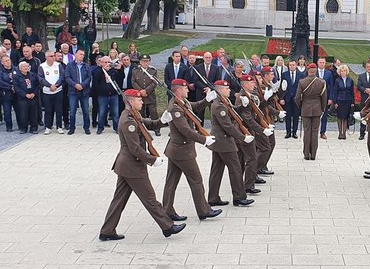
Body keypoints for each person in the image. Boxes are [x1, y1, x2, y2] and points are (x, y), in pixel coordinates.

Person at [99, 89, 185, 241]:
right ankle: (168, 227)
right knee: (150, 199)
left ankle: (107, 230)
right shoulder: (128, 121)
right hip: (133, 167)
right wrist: (152, 160)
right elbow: (135, 149)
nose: (142, 102)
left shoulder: (133, 115)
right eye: (139, 100)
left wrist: (162, 121)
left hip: (125, 166)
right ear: (131, 102)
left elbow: (148, 124)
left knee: (119, 200)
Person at [161, 78, 223, 220]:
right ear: (178, 90)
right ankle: (203, 210)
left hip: (176, 150)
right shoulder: (175, 108)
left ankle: (167, 211)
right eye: (185, 88)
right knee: (196, 180)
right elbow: (185, 130)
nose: (188, 90)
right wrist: (203, 139)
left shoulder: (183, 102)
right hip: (182, 150)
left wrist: (207, 100)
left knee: (171, 182)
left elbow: (194, 107)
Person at [207, 80, 256, 206]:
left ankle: (213, 198)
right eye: (226, 88)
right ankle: (239, 197)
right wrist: (242, 137)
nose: (229, 90)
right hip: (224, 142)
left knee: (216, 170)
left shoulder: (224, 102)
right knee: (235, 168)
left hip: (219, 142)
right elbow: (228, 126)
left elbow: (234, 111)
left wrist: (242, 106)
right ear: (220, 90)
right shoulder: (219, 106)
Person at [236, 75, 272, 196]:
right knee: (250, 159)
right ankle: (248, 185)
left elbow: (256, 112)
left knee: (243, 159)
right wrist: (262, 130)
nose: (254, 85)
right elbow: (248, 118)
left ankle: (245, 184)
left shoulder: (249, 95)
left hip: (249, 131)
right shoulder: (242, 97)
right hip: (245, 132)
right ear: (244, 84)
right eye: (251, 83)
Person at [296, 63, 327, 160]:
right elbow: (324, 98)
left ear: (308, 71)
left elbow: (297, 98)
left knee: (307, 132)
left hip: (305, 109)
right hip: (317, 109)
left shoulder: (302, 82)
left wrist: (301, 106)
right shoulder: (322, 82)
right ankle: (313, 154)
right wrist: (322, 109)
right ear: (316, 71)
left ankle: (306, 154)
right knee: (315, 132)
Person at [65, 49, 92, 135]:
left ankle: (86, 128)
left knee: (86, 111)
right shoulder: (69, 65)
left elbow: (89, 78)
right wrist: (75, 85)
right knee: (72, 111)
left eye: (83, 55)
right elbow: (67, 77)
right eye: (80, 54)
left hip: (84, 91)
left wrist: (82, 85)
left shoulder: (86, 66)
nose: (82, 56)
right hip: (73, 91)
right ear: (75, 54)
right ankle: (72, 128)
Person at [131, 54, 160, 136]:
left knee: (153, 112)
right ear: (140, 62)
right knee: (141, 113)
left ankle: (156, 128)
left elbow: (155, 82)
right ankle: (142, 128)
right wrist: (140, 91)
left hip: (150, 94)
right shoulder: (135, 71)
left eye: (147, 61)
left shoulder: (152, 70)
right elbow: (133, 82)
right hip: (139, 95)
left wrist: (146, 90)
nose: (145, 63)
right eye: (143, 61)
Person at [38, 50, 65, 134]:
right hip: (47, 92)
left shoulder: (58, 65)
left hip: (58, 91)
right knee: (48, 110)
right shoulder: (42, 66)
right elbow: (41, 78)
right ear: (46, 57)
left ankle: (59, 126)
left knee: (59, 109)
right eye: (51, 56)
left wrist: (56, 85)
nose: (53, 57)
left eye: (53, 56)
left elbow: (62, 76)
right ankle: (48, 127)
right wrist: (50, 86)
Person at [94, 56, 122, 134]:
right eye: (105, 62)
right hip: (102, 95)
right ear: (101, 63)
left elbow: (120, 78)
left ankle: (116, 128)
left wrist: (120, 69)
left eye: (108, 62)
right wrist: (103, 71)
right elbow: (96, 79)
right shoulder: (98, 71)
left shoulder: (113, 71)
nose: (107, 64)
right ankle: (100, 128)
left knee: (115, 113)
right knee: (102, 113)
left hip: (113, 95)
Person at [13, 61, 40, 134]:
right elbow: (16, 87)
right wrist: (25, 94)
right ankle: (23, 128)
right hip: (23, 98)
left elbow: (38, 85)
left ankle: (34, 128)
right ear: (20, 68)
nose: (26, 68)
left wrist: (34, 93)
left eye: (27, 66)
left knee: (33, 113)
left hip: (33, 97)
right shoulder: (16, 76)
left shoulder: (33, 75)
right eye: (24, 66)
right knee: (23, 114)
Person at [193, 52, 219, 121]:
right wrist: (204, 88)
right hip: (200, 93)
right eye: (206, 57)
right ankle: (200, 130)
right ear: (203, 58)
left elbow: (217, 81)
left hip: (212, 94)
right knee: (200, 114)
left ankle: (214, 130)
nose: (208, 59)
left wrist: (210, 88)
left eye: (209, 57)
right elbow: (195, 80)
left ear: (212, 58)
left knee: (213, 114)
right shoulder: (198, 67)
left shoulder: (216, 68)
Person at [0, 55, 18, 131]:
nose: (8, 62)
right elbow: (0, 82)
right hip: (6, 94)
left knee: (19, 110)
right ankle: (9, 127)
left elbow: (19, 79)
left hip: (16, 94)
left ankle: (21, 125)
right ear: (2, 63)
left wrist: (15, 87)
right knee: (7, 111)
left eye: (9, 60)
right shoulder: (0, 71)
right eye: (5, 61)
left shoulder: (15, 69)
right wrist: (10, 87)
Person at [333, 64, 354, 140]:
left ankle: (344, 133)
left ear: (346, 71)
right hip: (339, 100)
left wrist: (352, 102)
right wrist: (335, 102)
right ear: (339, 72)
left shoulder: (350, 80)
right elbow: (335, 91)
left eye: (344, 71)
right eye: (342, 71)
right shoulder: (337, 80)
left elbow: (352, 92)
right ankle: (340, 133)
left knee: (345, 117)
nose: (343, 72)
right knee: (339, 117)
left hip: (347, 100)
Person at [282, 59, 302, 139]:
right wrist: (282, 98)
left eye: (293, 65)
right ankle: (288, 132)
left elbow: (302, 87)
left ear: (296, 65)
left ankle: (294, 132)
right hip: (287, 98)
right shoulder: (285, 74)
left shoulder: (301, 75)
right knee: (288, 116)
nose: (292, 66)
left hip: (296, 99)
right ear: (288, 66)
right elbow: (282, 87)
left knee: (296, 116)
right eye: (290, 65)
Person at [357, 62, 370, 140]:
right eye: (367, 67)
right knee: (363, 115)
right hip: (364, 99)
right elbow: (359, 86)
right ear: (365, 67)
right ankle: (362, 133)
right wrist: (365, 90)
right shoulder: (361, 76)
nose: (369, 68)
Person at [316, 58, 334, 139]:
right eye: (320, 62)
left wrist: (330, 98)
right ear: (317, 63)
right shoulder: (314, 72)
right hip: (315, 98)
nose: (322, 64)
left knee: (324, 116)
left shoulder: (329, 73)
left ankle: (323, 132)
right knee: (315, 116)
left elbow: (331, 86)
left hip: (325, 98)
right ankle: (314, 131)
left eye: (323, 62)